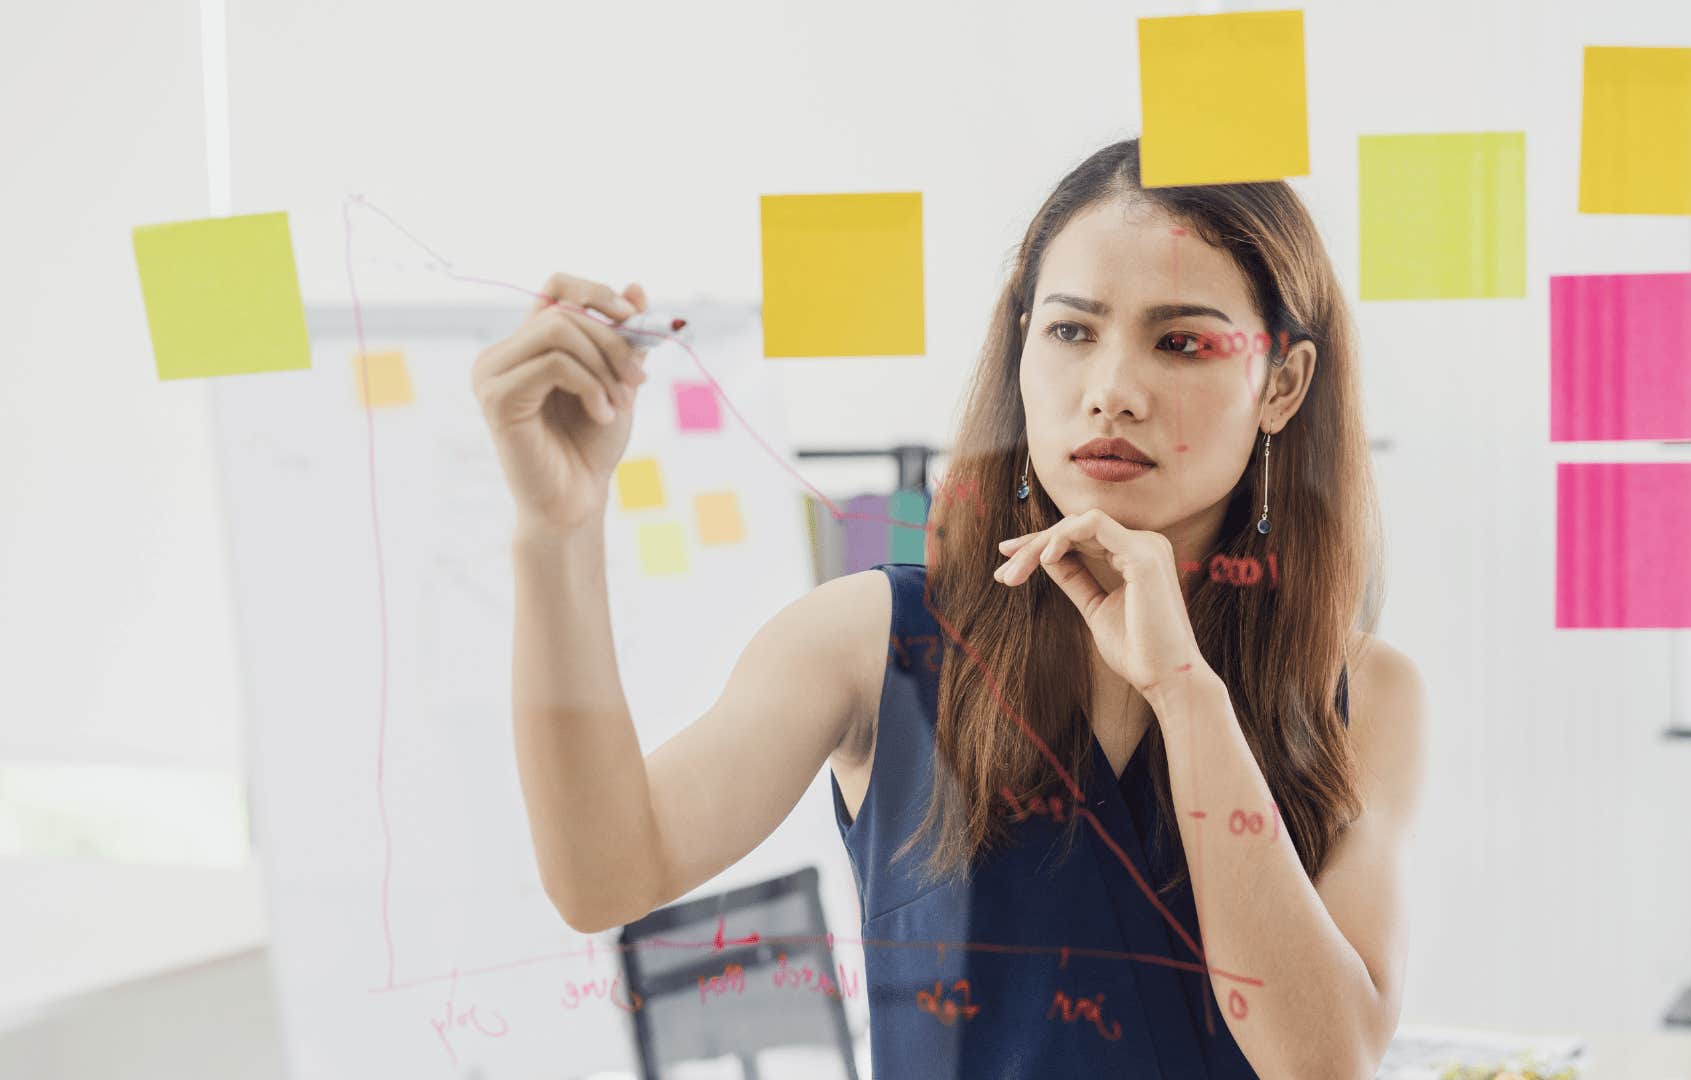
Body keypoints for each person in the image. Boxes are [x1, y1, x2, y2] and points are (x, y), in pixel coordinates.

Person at [472, 136, 1428, 1079]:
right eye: (1071, 331)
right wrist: (557, 528)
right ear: (1021, 346)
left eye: (1180, 342)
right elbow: (604, 876)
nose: (1112, 392)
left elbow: (1325, 1059)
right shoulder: (872, 641)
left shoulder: (1362, 692)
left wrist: (1186, 694)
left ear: (1284, 384)